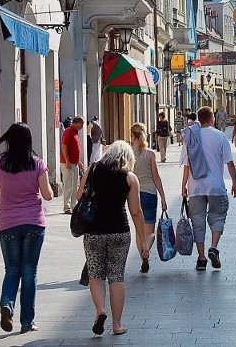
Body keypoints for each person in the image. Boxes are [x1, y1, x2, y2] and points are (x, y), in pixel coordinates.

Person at [0, 123, 54, 334]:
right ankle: (27, 322)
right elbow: (48, 195)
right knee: (29, 271)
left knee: (12, 269)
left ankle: (7, 303)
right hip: (33, 222)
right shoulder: (37, 163)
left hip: (8, 224)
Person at [76, 140, 148, 336]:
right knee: (116, 276)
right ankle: (117, 325)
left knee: (96, 274)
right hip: (119, 231)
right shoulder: (130, 178)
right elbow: (136, 212)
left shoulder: (93, 169)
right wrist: (142, 239)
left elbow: (78, 196)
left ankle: (100, 311)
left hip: (94, 232)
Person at [181, 106, 236, 271]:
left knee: (197, 221)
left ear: (199, 119)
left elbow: (187, 164)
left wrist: (184, 185)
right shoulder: (220, 136)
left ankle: (201, 259)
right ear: (212, 118)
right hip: (215, 187)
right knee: (218, 217)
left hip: (195, 186)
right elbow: (229, 162)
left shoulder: (191, 135)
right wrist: (235, 183)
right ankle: (213, 247)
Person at [130, 122, 168, 273]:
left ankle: (143, 256)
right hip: (150, 194)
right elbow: (156, 177)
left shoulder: (128, 154)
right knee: (150, 231)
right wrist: (163, 198)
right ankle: (146, 250)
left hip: (134, 195)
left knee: (138, 230)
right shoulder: (150, 154)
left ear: (132, 135)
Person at [60, 115, 85, 214]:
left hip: (74, 163)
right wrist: (67, 160)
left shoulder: (76, 133)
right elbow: (64, 146)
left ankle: (74, 205)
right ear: (76, 122)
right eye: (81, 124)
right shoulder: (68, 131)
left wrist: (78, 161)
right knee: (68, 185)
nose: (82, 126)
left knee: (75, 185)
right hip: (68, 163)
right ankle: (67, 206)